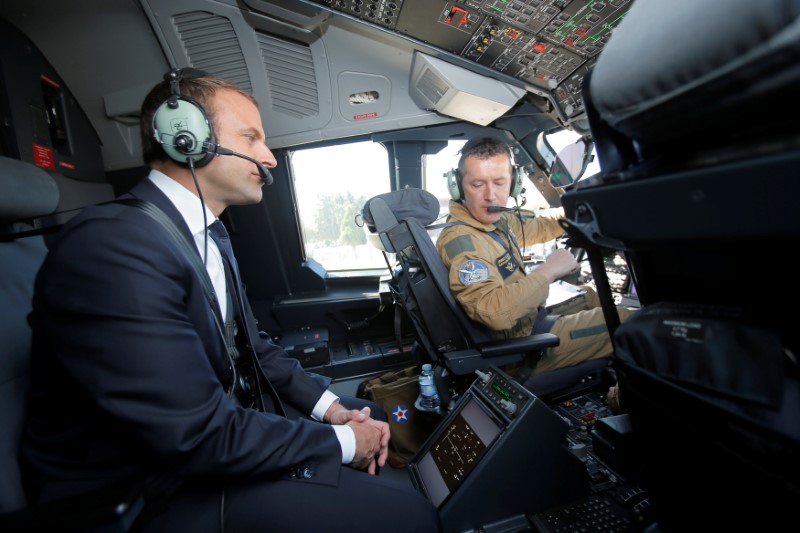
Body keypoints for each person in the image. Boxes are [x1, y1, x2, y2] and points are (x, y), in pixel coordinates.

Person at [20, 68, 440, 532]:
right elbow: (196, 436)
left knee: (373, 415)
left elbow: (254, 350)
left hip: (196, 447)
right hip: (140, 493)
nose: (270, 157)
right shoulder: (112, 247)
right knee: (413, 518)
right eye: (251, 137)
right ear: (187, 138)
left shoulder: (208, 235)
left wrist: (333, 411)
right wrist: (343, 442)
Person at [436, 136, 634, 377]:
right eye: (477, 185)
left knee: (590, 295)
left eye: (500, 183)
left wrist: (585, 209)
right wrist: (549, 270)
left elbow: (541, 225)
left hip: (529, 321)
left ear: (515, 183)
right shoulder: (463, 242)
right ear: (457, 186)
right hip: (518, 349)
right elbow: (494, 313)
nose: (491, 196)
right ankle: (620, 397)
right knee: (626, 320)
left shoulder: (497, 221)